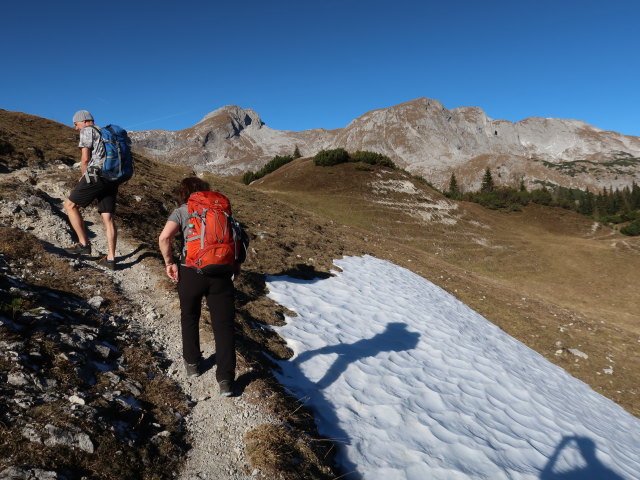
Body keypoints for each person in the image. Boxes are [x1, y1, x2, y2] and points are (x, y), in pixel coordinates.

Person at [158, 177, 240, 397]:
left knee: (190, 316)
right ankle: (225, 380)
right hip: (222, 273)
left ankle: (193, 364)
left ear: (183, 193)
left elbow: (164, 238)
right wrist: (235, 267)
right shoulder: (221, 210)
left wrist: (169, 263)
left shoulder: (182, 211)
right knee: (223, 326)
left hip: (191, 271)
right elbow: (240, 239)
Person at [63, 110, 119, 270]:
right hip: (112, 178)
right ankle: (111, 259)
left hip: (96, 175)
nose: (75, 128)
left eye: (76, 124)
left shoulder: (88, 131)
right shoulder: (107, 133)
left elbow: (85, 158)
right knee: (108, 218)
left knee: (70, 206)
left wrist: (84, 176)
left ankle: (83, 244)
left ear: (84, 121)